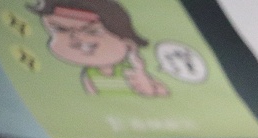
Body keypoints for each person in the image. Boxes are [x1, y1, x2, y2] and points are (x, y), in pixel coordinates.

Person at [28, 0, 167, 98]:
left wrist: (143, 78)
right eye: (60, 29)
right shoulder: (90, 76)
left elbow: (163, 94)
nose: (76, 38)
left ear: (128, 43)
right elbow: (91, 98)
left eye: (92, 31)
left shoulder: (132, 70)